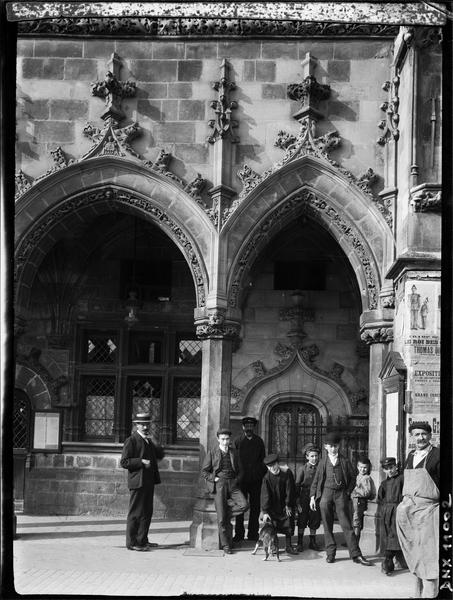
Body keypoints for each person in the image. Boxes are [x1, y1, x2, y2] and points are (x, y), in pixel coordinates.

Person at [310, 431, 372, 566]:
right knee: (327, 525)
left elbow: (352, 478)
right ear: (326, 447)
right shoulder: (322, 462)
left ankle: (356, 554)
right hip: (326, 493)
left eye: (335, 446)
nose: (333, 449)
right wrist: (312, 497)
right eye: (330, 446)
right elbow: (316, 481)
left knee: (347, 525)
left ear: (339, 447)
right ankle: (330, 553)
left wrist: (347, 492)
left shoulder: (344, 460)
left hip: (340, 495)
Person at [396, 421, 440, 598]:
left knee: (429, 555)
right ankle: (418, 593)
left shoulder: (437, 455)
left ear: (430, 435)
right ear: (412, 437)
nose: (420, 438)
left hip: (429, 512)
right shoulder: (410, 456)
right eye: (417, 434)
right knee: (415, 554)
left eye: (424, 434)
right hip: (409, 514)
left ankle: (430, 594)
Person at [120, 412, 165, 551]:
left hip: (148, 482)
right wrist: (140, 461)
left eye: (147, 424)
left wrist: (154, 441)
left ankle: (142, 540)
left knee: (146, 512)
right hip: (137, 482)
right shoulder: (131, 440)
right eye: (142, 424)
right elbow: (124, 462)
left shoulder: (149, 440)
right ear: (136, 425)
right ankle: (132, 543)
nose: (145, 427)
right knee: (136, 513)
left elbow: (161, 455)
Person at [201, 428, 249, 554]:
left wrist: (236, 480)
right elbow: (204, 471)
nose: (225, 441)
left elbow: (242, 471)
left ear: (230, 439)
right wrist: (215, 478)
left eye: (227, 439)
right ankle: (226, 545)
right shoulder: (212, 452)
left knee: (244, 505)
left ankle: (225, 514)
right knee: (221, 520)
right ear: (218, 439)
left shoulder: (234, 452)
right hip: (219, 484)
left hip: (232, 483)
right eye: (222, 439)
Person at [232, 416, 266, 543]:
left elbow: (263, 459)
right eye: (247, 426)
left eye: (251, 426)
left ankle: (253, 533)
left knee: (255, 507)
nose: (249, 428)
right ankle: (239, 534)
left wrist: (260, 473)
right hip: (241, 480)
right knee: (240, 506)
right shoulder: (237, 441)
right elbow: (234, 460)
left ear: (254, 427)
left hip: (255, 480)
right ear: (243, 427)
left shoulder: (259, 441)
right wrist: (237, 476)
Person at [260, 454, 298, 555]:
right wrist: (265, 511)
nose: (272, 468)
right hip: (272, 506)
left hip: (285, 504)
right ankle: (273, 547)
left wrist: (288, 504)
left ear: (278, 463)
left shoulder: (286, 473)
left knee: (289, 522)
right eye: (269, 466)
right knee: (271, 525)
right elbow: (265, 495)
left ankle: (288, 546)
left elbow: (290, 490)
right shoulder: (266, 478)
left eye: (274, 465)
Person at [377, 457, 406, 576]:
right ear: (384, 470)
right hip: (386, 512)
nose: (390, 471)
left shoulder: (402, 479)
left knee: (395, 534)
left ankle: (387, 561)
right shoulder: (384, 483)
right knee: (388, 534)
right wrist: (384, 510)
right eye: (387, 469)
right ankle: (391, 560)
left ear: (396, 467)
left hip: (399, 510)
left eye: (391, 468)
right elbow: (380, 498)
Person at [295, 444, 321, 551]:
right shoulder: (302, 469)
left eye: (316, 456)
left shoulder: (321, 468)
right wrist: (297, 502)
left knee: (314, 518)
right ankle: (300, 542)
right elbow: (297, 485)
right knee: (302, 518)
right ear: (307, 457)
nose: (314, 458)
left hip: (317, 497)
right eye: (312, 456)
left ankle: (312, 541)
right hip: (304, 497)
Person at [350, 456, 376, 544]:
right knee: (352, 521)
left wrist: (355, 489)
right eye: (361, 467)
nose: (362, 469)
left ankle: (355, 543)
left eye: (365, 467)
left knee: (356, 522)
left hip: (359, 502)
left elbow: (367, 492)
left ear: (368, 468)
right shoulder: (358, 476)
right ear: (357, 467)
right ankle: (352, 541)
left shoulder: (366, 478)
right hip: (354, 501)